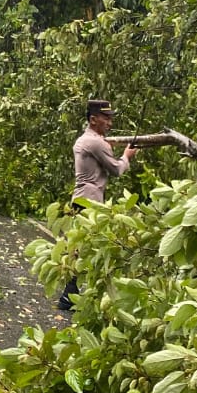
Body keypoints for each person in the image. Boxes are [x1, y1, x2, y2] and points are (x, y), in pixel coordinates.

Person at [58, 98, 139, 311]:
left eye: (110, 119)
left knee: (80, 249)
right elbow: (117, 169)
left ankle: (70, 295)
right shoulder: (95, 142)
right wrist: (127, 156)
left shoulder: (87, 139)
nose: (109, 123)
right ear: (93, 119)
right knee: (90, 250)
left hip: (82, 199)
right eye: (106, 119)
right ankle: (77, 295)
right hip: (91, 202)